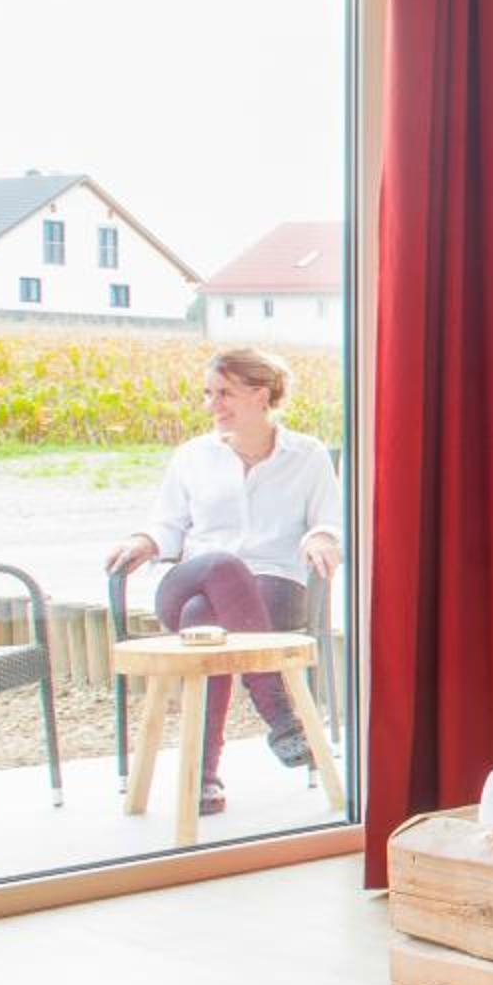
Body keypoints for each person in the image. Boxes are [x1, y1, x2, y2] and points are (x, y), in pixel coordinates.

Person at [105, 346, 344, 816]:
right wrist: (143, 541)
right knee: (220, 566)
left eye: (224, 393)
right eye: (208, 393)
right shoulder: (193, 456)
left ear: (261, 395)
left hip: (274, 586)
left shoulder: (307, 455)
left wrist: (322, 538)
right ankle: (280, 713)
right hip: (190, 582)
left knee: (204, 620)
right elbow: (167, 525)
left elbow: (330, 521)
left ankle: (202, 776)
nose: (212, 404)